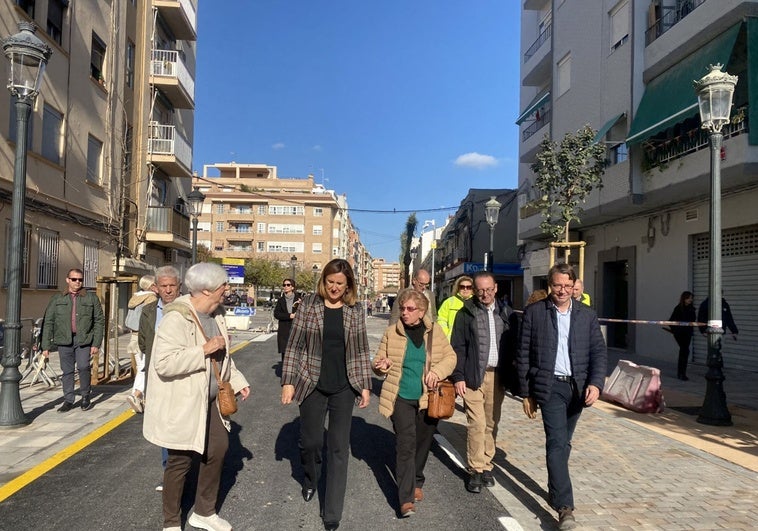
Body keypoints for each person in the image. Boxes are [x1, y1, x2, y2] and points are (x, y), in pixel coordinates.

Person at [143, 262, 250, 531]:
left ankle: (203, 512)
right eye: (223, 286)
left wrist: (236, 381)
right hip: (183, 402)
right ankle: (170, 522)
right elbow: (164, 363)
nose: (227, 290)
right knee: (179, 461)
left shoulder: (217, 315)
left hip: (211, 399)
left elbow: (223, 356)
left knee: (217, 449)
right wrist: (203, 349)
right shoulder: (176, 318)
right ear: (206, 290)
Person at [281, 258, 372, 531]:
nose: (334, 288)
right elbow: (294, 345)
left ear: (348, 286)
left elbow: (360, 349)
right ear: (324, 281)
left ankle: (332, 513)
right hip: (311, 382)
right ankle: (311, 478)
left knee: (338, 447)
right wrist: (288, 381)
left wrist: (364, 385)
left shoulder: (355, 311)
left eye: (340, 284)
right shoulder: (310, 305)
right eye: (331, 282)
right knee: (310, 442)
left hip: (344, 386)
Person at [517, 263, 607, 530]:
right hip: (550, 387)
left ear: (575, 286)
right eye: (558, 285)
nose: (563, 290)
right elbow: (523, 355)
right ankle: (565, 508)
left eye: (568, 286)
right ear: (549, 286)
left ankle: (556, 488)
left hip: (577, 389)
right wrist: (525, 393)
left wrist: (596, 383)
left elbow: (599, 353)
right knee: (556, 442)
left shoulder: (587, 316)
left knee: (564, 443)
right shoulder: (535, 313)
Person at [373, 289, 457, 518]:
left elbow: (451, 358)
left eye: (410, 309)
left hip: (428, 398)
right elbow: (378, 363)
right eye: (402, 308)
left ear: (421, 312)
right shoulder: (392, 333)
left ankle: (417, 479)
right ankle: (405, 498)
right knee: (405, 444)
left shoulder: (434, 332)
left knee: (422, 442)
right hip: (400, 396)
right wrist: (381, 366)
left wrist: (437, 372)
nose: (405, 313)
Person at [450, 272, 511, 494]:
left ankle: (486, 464)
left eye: (489, 289)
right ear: (474, 290)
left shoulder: (506, 312)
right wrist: (458, 377)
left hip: (498, 377)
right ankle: (475, 469)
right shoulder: (466, 313)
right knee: (476, 422)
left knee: (491, 423)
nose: (485, 294)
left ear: (495, 288)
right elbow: (458, 346)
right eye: (480, 290)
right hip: (473, 375)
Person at [138, 265, 181, 490]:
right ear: (156, 288)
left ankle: (183, 468)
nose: (168, 290)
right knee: (164, 424)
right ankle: (169, 472)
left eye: (172, 286)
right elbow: (143, 342)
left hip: (183, 376)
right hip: (157, 377)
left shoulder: (188, 309)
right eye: (163, 286)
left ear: (179, 286)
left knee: (182, 423)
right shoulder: (149, 311)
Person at [41, 268, 105, 412]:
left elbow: (99, 321)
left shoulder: (91, 298)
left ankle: (85, 397)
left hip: (84, 340)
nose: (77, 282)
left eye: (80, 280)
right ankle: (68, 399)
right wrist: (45, 346)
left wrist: (96, 343)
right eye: (74, 279)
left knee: (83, 367)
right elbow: (48, 321)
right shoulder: (57, 299)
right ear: (68, 280)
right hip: (64, 340)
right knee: (67, 371)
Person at [125, 275, 157, 413]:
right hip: (145, 336)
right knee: (145, 368)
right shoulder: (152, 298)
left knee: (140, 368)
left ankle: (137, 400)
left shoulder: (135, 298)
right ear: (151, 286)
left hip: (133, 336)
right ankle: (136, 395)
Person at [668, 291, 697, 381]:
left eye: (691, 298)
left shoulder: (692, 309)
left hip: (688, 333)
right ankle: (681, 373)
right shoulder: (679, 309)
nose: (690, 300)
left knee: (684, 351)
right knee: (684, 351)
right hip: (680, 334)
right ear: (684, 299)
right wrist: (675, 331)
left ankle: (682, 373)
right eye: (689, 298)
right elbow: (671, 321)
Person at [274, 278, 302, 362]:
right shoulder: (281, 300)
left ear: (292, 287)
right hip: (284, 330)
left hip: (297, 328)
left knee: (297, 352)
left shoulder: (299, 299)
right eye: (284, 285)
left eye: (288, 285)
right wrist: (290, 316)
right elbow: (276, 314)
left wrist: (302, 304)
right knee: (285, 354)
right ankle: (285, 373)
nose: (286, 287)